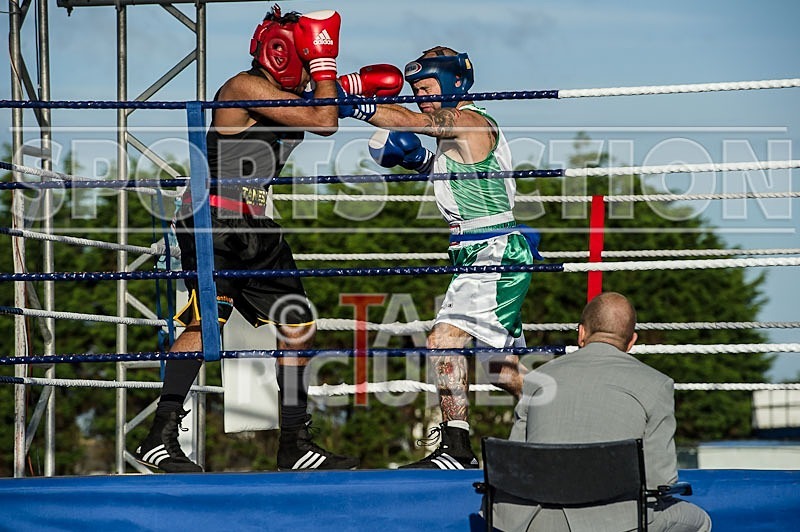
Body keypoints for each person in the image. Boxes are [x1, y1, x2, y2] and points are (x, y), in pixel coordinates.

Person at [134, 5, 402, 473]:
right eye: (309, 55)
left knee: (295, 326)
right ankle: (160, 438)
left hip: (253, 225)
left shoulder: (289, 97)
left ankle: (293, 444)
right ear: (284, 53)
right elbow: (324, 121)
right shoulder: (243, 87)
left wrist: (356, 89)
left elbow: (331, 109)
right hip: (216, 219)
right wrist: (328, 69)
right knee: (207, 326)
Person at [342, 46, 543, 469]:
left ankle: (456, 447)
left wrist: (354, 104)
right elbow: (459, 173)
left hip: (492, 248)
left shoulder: (467, 120)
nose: (421, 96)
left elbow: (415, 121)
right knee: (499, 369)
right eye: (416, 89)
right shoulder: (457, 133)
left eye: (427, 87)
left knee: (443, 340)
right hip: (478, 249)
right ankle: (566, 410)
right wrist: (419, 162)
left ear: (454, 84)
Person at [492, 292, 712, 531]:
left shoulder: (538, 379)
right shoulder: (657, 385)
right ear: (631, 341)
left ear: (581, 333)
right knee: (701, 522)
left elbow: (517, 466)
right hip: (619, 523)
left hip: (538, 522)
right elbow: (661, 480)